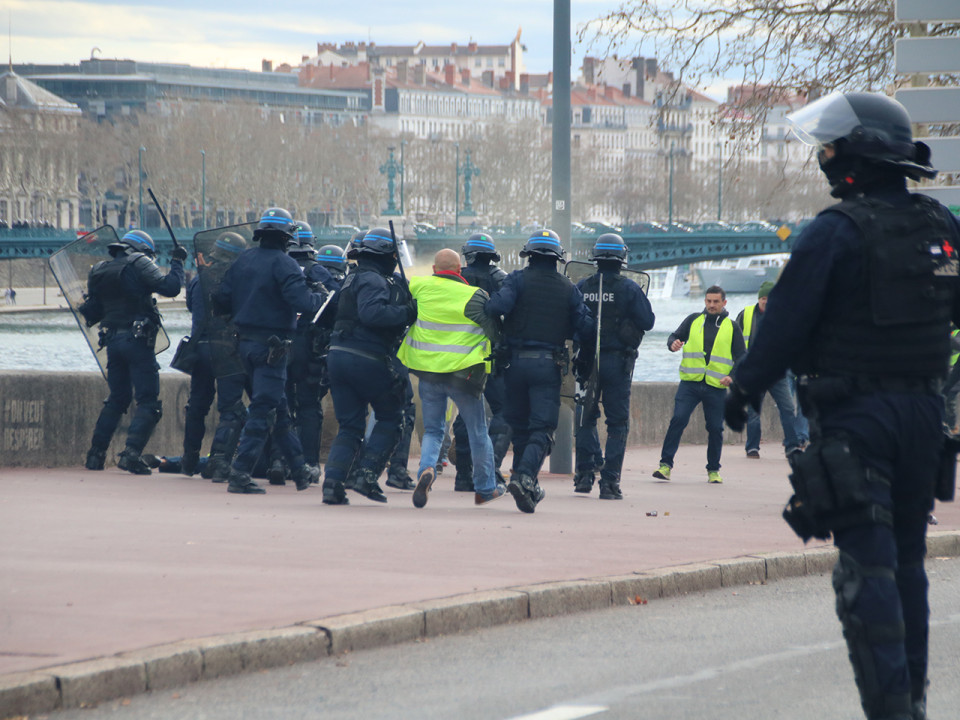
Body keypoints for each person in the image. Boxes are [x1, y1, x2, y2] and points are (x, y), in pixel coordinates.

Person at [725, 91, 960, 720]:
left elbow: (785, 325)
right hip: (925, 422)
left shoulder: (834, 233)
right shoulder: (942, 227)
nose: (824, 157)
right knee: (908, 564)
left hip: (858, 420)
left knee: (868, 572)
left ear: (854, 154)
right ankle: (912, 699)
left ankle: (892, 712)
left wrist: (744, 389)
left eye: (829, 146)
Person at [213, 208, 326, 495]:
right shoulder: (285, 264)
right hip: (272, 348)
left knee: (279, 409)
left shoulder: (243, 260)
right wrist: (320, 295)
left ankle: (299, 470)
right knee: (263, 409)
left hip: (245, 345)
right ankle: (240, 473)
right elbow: (303, 302)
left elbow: (221, 299)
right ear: (287, 238)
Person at [486, 229, 594, 513]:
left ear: (529, 255)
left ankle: (525, 481)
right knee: (542, 428)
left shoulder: (517, 279)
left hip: (514, 364)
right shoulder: (568, 288)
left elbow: (496, 306)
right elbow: (585, 327)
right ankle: (524, 477)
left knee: (520, 425)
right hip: (547, 364)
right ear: (557, 258)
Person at [397, 248, 506, 507]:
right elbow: (495, 333)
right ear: (460, 270)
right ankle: (485, 488)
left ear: (434, 270)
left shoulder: (419, 286)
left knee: (434, 430)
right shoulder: (475, 296)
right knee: (477, 431)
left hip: (429, 373)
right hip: (463, 374)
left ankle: (427, 469)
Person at [320, 227, 415, 505]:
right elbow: (373, 314)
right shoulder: (374, 280)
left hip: (338, 356)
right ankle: (367, 475)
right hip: (367, 357)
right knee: (391, 416)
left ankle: (333, 484)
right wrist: (407, 311)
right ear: (388, 255)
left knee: (350, 425)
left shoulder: (351, 279)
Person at [83, 229, 185, 474]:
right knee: (149, 402)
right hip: (137, 341)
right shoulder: (139, 262)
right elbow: (170, 287)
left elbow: (92, 310)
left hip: (111, 341)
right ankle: (130, 455)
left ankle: (95, 456)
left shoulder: (98, 269)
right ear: (143, 251)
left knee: (117, 399)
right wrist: (178, 261)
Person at [573, 233, 655, 499]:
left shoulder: (583, 286)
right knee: (617, 423)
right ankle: (609, 483)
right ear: (622, 259)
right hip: (617, 363)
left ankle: (584, 476)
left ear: (595, 258)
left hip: (586, 361)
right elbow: (648, 320)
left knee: (586, 418)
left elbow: (571, 320)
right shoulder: (629, 288)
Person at [652, 285, 745, 484]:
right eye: (708, 301)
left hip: (716, 386)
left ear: (724, 303)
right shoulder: (693, 320)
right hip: (690, 384)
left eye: (715, 302)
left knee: (715, 428)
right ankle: (665, 466)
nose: (711, 305)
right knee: (678, 419)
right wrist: (673, 344)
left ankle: (713, 470)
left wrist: (732, 376)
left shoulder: (732, 327)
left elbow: (742, 358)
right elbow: (673, 336)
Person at [270, 222, 341, 481]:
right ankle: (309, 463)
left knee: (280, 405)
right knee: (309, 406)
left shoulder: (275, 266)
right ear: (312, 244)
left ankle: (278, 460)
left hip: (275, 344)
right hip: (307, 348)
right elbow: (338, 301)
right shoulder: (318, 271)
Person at [181, 231, 249, 478]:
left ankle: (189, 459)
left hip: (199, 348)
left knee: (197, 405)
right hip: (226, 349)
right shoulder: (237, 279)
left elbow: (191, 307)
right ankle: (219, 461)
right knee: (231, 408)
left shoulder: (199, 279)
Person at [451, 233, 512, 493]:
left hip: (461, 357)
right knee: (505, 412)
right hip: (492, 357)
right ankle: (489, 469)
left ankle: (463, 476)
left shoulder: (457, 279)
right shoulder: (501, 279)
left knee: (466, 415)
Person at [735, 280, 804, 458]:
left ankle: (792, 445)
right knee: (753, 412)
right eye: (763, 298)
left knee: (788, 408)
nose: (766, 301)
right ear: (759, 299)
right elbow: (734, 341)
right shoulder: (746, 315)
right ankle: (752, 447)